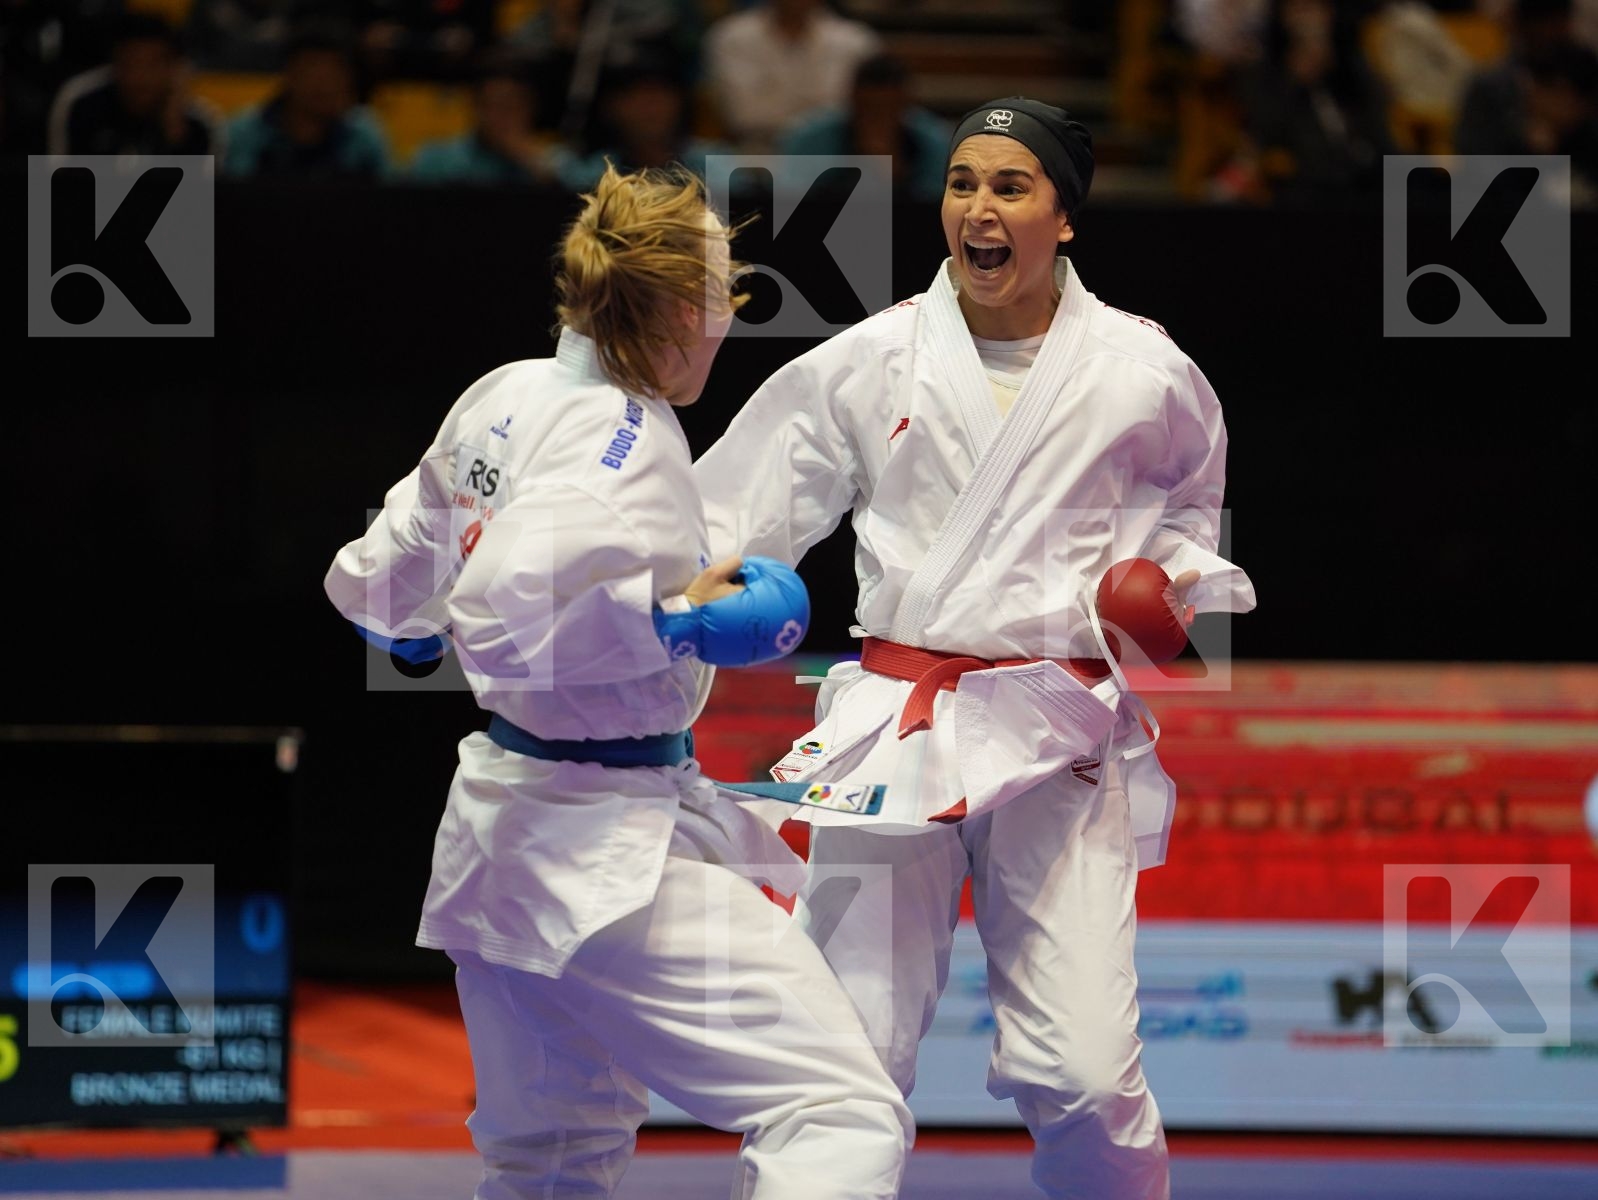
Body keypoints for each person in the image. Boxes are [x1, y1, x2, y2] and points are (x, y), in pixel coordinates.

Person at [695, 98, 1257, 1200]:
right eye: (961, 184)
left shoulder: (1140, 370)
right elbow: (727, 519)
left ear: (1064, 218)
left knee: (1082, 1075)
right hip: (891, 735)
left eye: (1010, 186)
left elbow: (1192, 512)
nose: (978, 209)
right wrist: (648, 602)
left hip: (1058, 734)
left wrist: (1173, 588)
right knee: (839, 1062)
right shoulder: (871, 358)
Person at [324, 164, 910, 1199]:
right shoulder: (623, 439)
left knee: (551, 1160)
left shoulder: (503, 393)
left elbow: (380, 575)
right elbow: (506, 612)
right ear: (684, 308)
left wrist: (407, 633)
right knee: (838, 1111)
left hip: (498, 836)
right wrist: (675, 623)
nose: (727, 326)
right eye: (726, 302)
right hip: (599, 856)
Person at [224, 22, 389, 180]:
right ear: (289, 74)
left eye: (335, 72)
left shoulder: (363, 135)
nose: (324, 85)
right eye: (312, 70)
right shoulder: (244, 133)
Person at [778, 53, 950, 203]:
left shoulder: (934, 143)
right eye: (869, 108)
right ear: (852, 99)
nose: (878, 117)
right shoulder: (810, 139)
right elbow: (788, 197)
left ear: (906, 103)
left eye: (888, 108)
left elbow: (940, 201)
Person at [47, 13, 221, 157]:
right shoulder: (81, 102)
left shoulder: (200, 123)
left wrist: (175, 129)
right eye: (129, 63)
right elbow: (60, 185)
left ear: (173, 68)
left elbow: (197, 194)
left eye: (152, 65)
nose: (139, 77)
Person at [408, 54, 556, 185]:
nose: (503, 117)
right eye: (495, 105)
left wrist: (539, 166)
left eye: (513, 106)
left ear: (531, 109)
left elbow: (576, 195)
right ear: (476, 107)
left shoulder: (555, 160)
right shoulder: (436, 159)